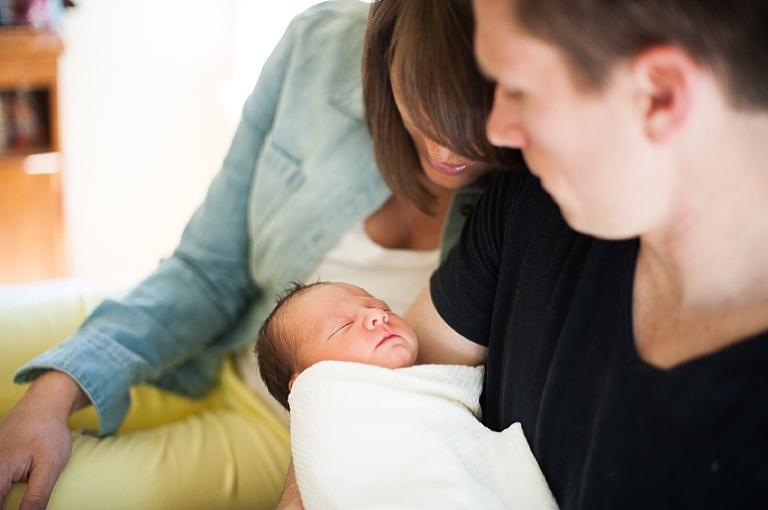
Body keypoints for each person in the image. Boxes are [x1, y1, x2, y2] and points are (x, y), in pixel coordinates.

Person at [0, 0, 519, 509]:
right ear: (389, 51)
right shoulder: (318, 46)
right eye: (423, 100)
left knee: (29, 489)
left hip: (281, 431)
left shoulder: (529, 196)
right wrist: (55, 390)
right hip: (214, 336)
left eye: (475, 115)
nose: (446, 151)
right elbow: (207, 269)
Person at [407, 0, 768, 508]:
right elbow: (371, 392)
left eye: (518, 90)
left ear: (659, 96)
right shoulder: (536, 199)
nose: (496, 130)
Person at [255, 281, 558, 510]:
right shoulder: (336, 426)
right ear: (306, 383)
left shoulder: (417, 394)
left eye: (383, 307)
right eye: (343, 326)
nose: (377, 315)